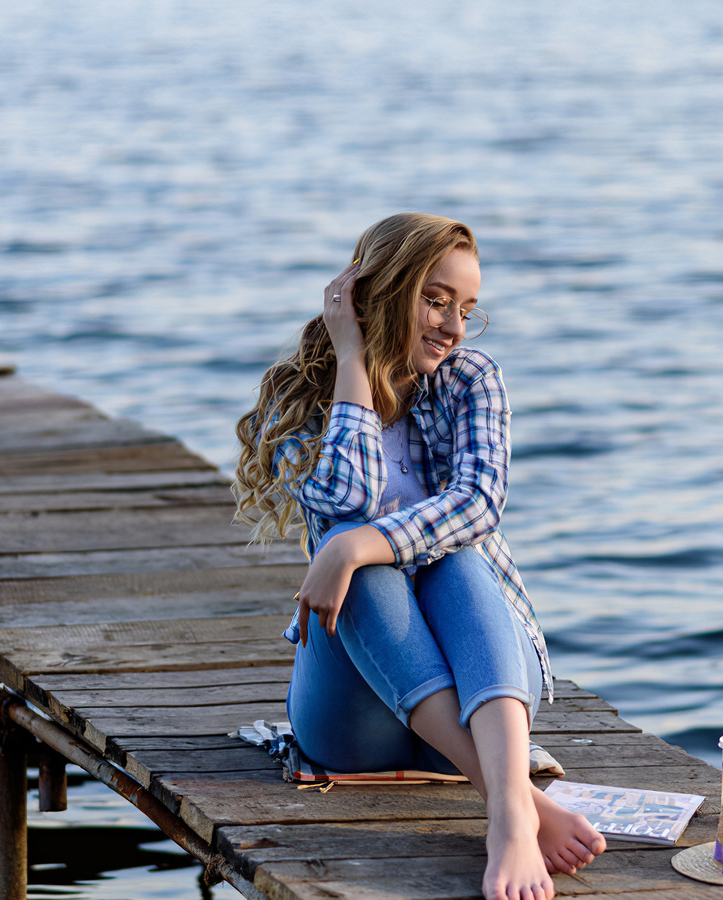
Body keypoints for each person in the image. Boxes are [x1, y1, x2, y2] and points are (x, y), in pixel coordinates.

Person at [233, 213, 606, 900]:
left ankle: (507, 817)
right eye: (434, 300)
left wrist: (352, 544)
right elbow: (347, 500)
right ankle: (516, 798)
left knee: (457, 557)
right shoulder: (297, 402)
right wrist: (351, 360)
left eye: (466, 309)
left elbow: (478, 505)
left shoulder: (471, 380)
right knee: (368, 576)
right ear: (379, 291)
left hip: (478, 696)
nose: (454, 326)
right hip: (352, 715)